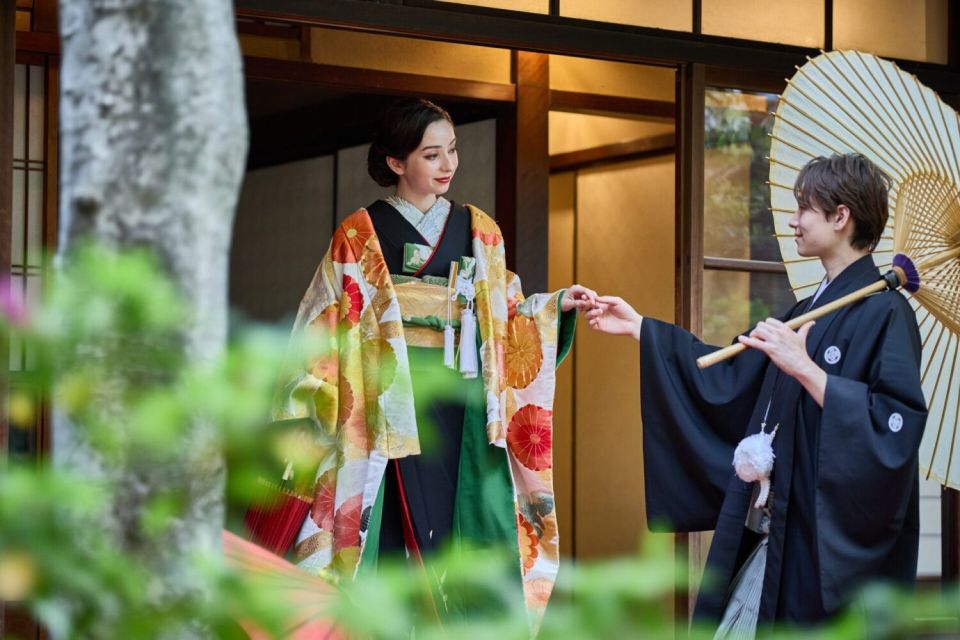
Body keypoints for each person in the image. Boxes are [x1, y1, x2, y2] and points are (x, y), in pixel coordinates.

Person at [253, 98, 595, 626]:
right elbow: (325, 316)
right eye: (431, 154)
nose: (448, 165)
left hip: (459, 399)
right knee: (381, 525)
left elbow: (505, 314)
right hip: (384, 397)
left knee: (462, 524)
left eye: (452, 151)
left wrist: (554, 307)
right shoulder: (359, 231)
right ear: (396, 163)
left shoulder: (480, 230)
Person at [585, 154, 927, 636]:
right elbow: (733, 379)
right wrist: (641, 328)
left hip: (825, 552)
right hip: (777, 534)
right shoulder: (808, 308)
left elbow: (894, 425)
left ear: (840, 216)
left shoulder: (888, 313)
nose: (793, 220)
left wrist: (806, 369)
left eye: (804, 207)